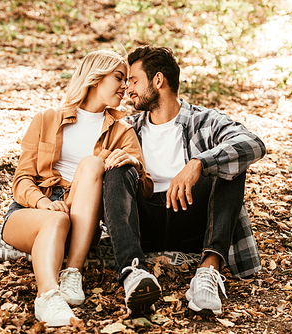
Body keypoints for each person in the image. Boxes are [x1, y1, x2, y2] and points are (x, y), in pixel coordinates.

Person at [102, 46, 266, 316]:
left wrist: (199, 163)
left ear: (158, 80)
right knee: (116, 166)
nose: (127, 89)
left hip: (193, 222)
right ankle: (133, 272)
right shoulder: (127, 127)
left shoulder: (205, 120)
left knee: (229, 165)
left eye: (133, 80)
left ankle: (208, 273)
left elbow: (253, 144)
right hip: (145, 225)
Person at [2, 50, 153, 327]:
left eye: (128, 80)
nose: (125, 87)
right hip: (33, 212)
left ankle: (73, 272)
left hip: (82, 219)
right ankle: (47, 296)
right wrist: (43, 203)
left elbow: (142, 190)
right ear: (95, 78)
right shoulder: (47, 119)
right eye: (119, 78)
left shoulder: (123, 130)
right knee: (56, 218)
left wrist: (132, 162)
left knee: (93, 163)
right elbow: (22, 179)